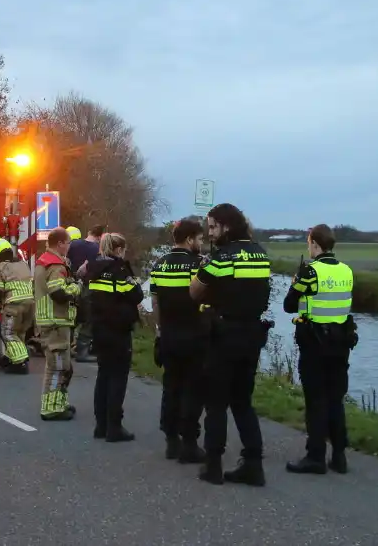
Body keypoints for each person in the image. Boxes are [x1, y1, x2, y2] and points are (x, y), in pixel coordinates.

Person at [189, 203, 273, 486]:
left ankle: (213, 465)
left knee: (216, 402)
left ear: (226, 226)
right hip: (252, 335)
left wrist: (204, 276)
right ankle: (254, 464)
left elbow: (195, 291)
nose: (210, 233)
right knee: (243, 402)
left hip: (224, 333)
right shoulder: (260, 254)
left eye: (212, 227)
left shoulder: (223, 257)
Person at [284, 224, 358, 475]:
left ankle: (315, 456)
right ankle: (339, 456)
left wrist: (296, 281)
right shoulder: (346, 270)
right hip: (341, 343)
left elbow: (289, 305)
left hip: (315, 343)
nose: (308, 247)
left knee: (316, 399)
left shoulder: (310, 272)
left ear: (314, 243)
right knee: (335, 398)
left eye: (309, 242)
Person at [151, 217, 208, 463]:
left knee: (171, 387)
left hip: (169, 335)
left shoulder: (159, 265)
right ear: (189, 239)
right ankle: (189, 443)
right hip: (194, 335)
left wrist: (159, 330)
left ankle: (171, 440)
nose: (202, 243)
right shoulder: (197, 265)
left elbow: (155, 302)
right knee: (192, 390)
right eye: (200, 239)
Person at [86, 233, 145, 442]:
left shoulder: (93, 268)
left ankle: (100, 425)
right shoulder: (119, 269)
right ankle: (114, 427)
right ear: (119, 249)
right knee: (118, 378)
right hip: (118, 330)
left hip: (99, 328)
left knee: (103, 376)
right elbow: (137, 294)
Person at [34, 227, 81, 421]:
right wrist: (77, 287)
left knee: (62, 366)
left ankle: (58, 403)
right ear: (60, 243)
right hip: (55, 321)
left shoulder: (44, 262)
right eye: (68, 243)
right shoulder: (55, 265)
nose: (69, 247)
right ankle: (51, 408)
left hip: (51, 320)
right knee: (58, 366)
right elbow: (58, 293)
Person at [0, 239, 33, 375]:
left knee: (8, 333)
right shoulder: (23, 264)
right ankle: (11, 358)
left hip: (14, 305)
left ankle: (20, 363)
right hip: (30, 305)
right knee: (19, 333)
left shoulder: (0, 268)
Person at [67, 225, 105, 363]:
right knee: (88, 319)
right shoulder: (97, 250)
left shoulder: (74, 244)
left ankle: (67, 348)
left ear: (89, 232)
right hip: (88, 288)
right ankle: (82, 352)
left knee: (73, 318)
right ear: (100, 237)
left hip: (71, 285)